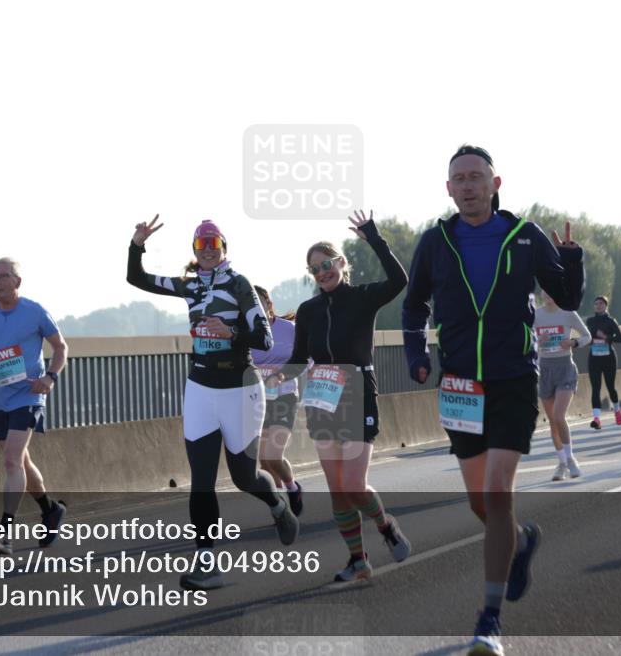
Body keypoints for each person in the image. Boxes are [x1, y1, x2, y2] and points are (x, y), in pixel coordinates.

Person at [402, 145, 584, 656]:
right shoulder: (434, 243)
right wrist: (417, 353)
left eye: (476, 177)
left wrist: (572, 261)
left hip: (511, 381)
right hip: (460, 384)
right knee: (481, 503)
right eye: (458, 178)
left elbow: (566, 298)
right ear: (448, 188)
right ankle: (522, 541)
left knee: (498, 493)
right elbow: (413, 305)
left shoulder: (522, 236)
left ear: (494, 183)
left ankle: (489, 619)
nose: (467, 186)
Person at [127, 216, 298, 591]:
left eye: (214, 244)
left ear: (224, 249)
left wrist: (232, 331)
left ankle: (277, 505)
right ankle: (208, 562)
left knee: (243, 477)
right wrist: (137, 244)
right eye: (201, 246)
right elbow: (137, 279)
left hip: (240, 387)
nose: (207, 251)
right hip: (201, 387)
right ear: (194, 251)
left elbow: (265, 339)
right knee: (201, 482)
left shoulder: (240, 286)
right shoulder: (190, 287)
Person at [271, 209, 412, 584]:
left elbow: (400, 279)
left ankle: (385, 525)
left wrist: (374, 238)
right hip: (322, 399)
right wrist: (271, 377)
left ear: (341, 263)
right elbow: (299, 360)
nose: (322, 273)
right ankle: (358, 560)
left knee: (353, 483)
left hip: (357, 393)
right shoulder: (309, 310)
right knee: (336, 488)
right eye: (314, 269)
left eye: (327, 264)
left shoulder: (363, 297)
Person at [0, 258, 69, 556]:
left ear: (17, 281)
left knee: (11, 459)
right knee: (21, 462)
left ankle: (4, 533)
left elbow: (60, 347)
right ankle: (50, 509)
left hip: (29, 395)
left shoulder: (34, 311)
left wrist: (50, 377)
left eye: (4, 276)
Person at [251, 285, 304, 516]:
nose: (256, 308)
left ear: (269, 304)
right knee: (264, 462)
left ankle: (293, 488)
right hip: (257, 400)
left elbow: (306, 358)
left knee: (274, 454)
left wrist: (282, 373)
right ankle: (282, 510)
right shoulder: (248, 333)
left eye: (260, 303)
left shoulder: (289, 329)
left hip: (285, 396)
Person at [534, 290, 590, 481]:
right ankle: (562, 463)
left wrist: (573, 342)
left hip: (564, 367)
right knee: (552, 421)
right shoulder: (535, 315)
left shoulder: (568, 314)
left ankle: (571, 459)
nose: (548, 293)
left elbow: (587, 336)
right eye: (544, 290)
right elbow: (522, 338)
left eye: (552, 290)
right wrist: (535, 341)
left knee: (559, 415)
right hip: (544, 370)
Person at [585, 295, 621, 430]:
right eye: (596, 304)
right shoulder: (589, 321)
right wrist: (588, 341)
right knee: (595, 388)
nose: (598, 306)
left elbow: (620, 338)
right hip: (594, 358)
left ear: (606, 305)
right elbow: (586, 337)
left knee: (610, 387)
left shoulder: (611, 321)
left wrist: (606, 337)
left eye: (601, 303)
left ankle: (617, 410)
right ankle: (596, 419)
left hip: (608, 358)